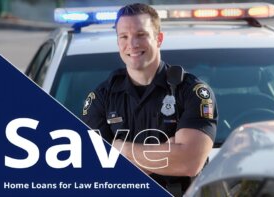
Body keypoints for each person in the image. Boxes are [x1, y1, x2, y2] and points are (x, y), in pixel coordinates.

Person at [81, 3, 217, 195]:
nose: (132, 44)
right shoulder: (101, 98)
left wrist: (121, 149)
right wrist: (167, 152)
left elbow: (189, 162)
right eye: (124, 37)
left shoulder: (191, 92)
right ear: (118, 42)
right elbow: (94, 169)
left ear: (158, 38)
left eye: (141, 35)